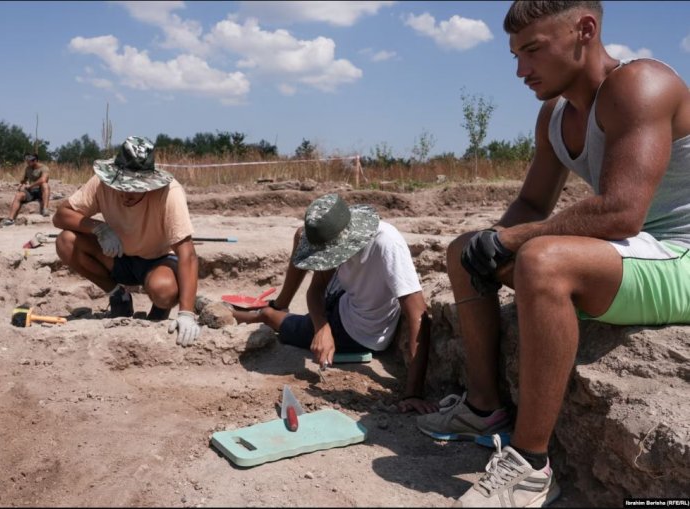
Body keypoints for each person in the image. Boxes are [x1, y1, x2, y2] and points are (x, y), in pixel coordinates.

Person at [415, 1, 690, 506]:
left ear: (584, 30)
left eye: (533, 51)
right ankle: (483, 408)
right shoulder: (555, 115)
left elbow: (622, 212)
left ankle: (531, 466)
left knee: (542, 260)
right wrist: (491, 240)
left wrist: (514, 241)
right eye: (516, 55)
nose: (521, 70)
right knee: (463, 252)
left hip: (682, 256)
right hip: (631, 252)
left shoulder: (641, 85)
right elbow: (531, 203)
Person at [232, 193, 438, 415]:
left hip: (355, 329)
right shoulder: (340, 237)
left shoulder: (387, 244)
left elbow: (418, 314)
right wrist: (322, 327)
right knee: (302, 235)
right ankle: (282, 302)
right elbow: (315, 290)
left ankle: (259, 314)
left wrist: (413, 393)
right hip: (344, 297)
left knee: (280, 322)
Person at [53, 136, 202, 346]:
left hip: (156, 261)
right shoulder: (101, 183)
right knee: (66, 241)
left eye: (134, 187)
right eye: (122, 185)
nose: (126, 193)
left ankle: (160, 310)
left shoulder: (170, 193)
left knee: (164, 290)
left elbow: (187, 253)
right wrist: (99, 228)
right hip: (117, 256)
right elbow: (60, 215)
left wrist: (187, 313)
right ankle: (119, 296)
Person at [0, 153, 50, 227]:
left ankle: (45, 209)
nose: (27, 163)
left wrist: (30, 186)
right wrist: (22, 184)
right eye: (27, 161)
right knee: (18, 195)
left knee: (45, 185)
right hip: (31, 191)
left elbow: (43, 179)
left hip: (40, 191)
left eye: (29, 161)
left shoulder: (44, 168)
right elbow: (25, 179)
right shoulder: (28, 168)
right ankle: (10, 219)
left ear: (35, 160)